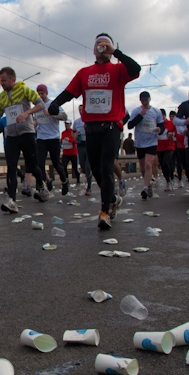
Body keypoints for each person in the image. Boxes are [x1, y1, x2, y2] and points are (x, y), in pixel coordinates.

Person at [48, 33, 141, 230]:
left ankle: (105, 211)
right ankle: (112, 198)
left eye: (105, 43)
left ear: (111, 48)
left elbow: (136, 69)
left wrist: (116, 52)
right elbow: (69, 92)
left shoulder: (118, 70)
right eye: (98, 43)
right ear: (93, 49)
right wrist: (55, 103)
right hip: (91, 130)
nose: (101, 46)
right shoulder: (84, 72)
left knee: (106, 168)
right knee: (96, 170)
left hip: (111, 128)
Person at [0, 67, 50, 213]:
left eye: (4, 80)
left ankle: (42, 185)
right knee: (11, 167)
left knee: (32, 165)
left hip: (27, 133)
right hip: (11, 137)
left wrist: (26, 113)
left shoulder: (25, 90)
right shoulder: (3, 97)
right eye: (0, 81)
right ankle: (12, 200)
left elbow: (40, 105)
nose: (2, 84)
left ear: (12, 79)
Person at [128, 91, 165, 199]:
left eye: (146, 100)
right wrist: (140, 115)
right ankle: (148, 184)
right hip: (140, 142)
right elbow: (130, 125)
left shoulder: (156, 111)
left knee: (149, 164)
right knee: (143, 168)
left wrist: (160, 129)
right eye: (142, 101)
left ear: (149, 99)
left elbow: (161, 125)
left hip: (152, 142)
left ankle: (145, 187)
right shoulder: (136, 111)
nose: (144, 102)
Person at [34, 84, 69, 195]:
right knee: (40, 164)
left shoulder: (52, 104)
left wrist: (51, 114)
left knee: (56, 164)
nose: (40, 95)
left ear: (46, 93)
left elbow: (64, 117)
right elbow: (35, 120)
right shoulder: (36, 106)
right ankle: (42, 186)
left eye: (42, 93)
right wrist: (33, 124)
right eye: (38, 93)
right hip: (41, 138)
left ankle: (64, 181)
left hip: (53, 138)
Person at [74, 105, 93, 196]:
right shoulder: (77, 122)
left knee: (88, 166)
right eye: (79, 110)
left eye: (82, 110)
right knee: (83, 167)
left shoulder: (90, 119)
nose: (81, 111)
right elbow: (73, 132)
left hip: (89, 145)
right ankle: (88, 174)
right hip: (80, 145)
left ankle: (89, 187)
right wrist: (76, 137)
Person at [157, 109, 176, 191]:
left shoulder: (171, 123)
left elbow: (176, 132)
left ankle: (170, 179)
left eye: (162, 116)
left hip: (169, 146)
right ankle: (168, 180)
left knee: (166, 161)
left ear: (164, 116)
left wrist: (172, 134)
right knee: (162, 165)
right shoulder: (156, 124)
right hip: (159, 146)